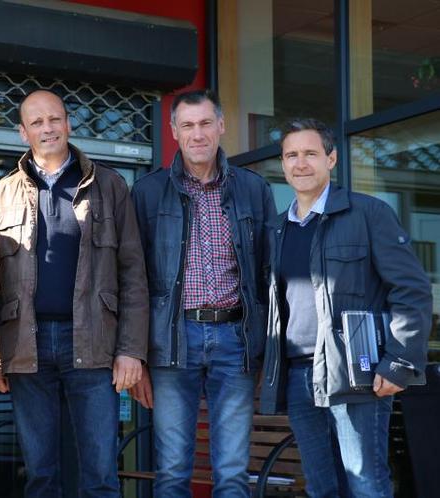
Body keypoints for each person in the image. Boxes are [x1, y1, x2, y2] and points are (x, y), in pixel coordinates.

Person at [0, 89, 148, 498]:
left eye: (54, 119)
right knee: (40, 475)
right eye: (36, 122)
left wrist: (131, 349)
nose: (47, 128)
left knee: (100, 475)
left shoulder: (109, 184)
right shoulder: (3, 192)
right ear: (22, 133)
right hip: (27, 347)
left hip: (93, 344)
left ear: (69, 124)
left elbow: (133, 273)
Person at [259, 117, 432, 497]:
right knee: (322, 488)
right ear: (283, 164)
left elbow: (412, 289)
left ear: (331, 159)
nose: (300, 163)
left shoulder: (368, 214)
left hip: (357, 375)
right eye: (291, 155)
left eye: (310, 154)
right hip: (299, 375)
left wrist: (399, 361)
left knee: (365, 484)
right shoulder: (277, 230)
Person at [130, 89, 276, 497]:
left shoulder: (253, 190)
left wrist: (265, 345)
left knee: (232, 471)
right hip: (172, 339)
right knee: (173, 469)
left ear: (221, 127)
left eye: (206, 123)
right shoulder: (147, 193)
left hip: (236, 340)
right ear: (174, 131)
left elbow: (268, 273)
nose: (198, 134)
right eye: (188, 125)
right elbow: (133, 280)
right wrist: (137, 356)